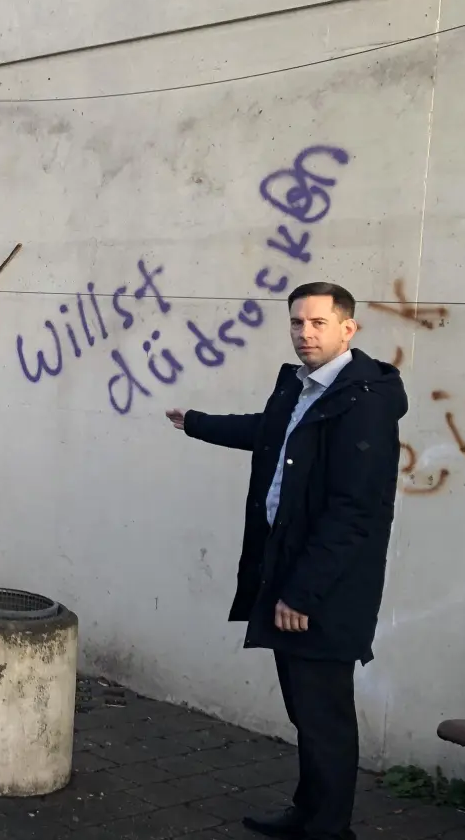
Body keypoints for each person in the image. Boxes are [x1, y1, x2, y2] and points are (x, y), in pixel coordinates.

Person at [165, 281, 406, 840]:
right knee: (305, 709)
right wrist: (196, 422)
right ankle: (309, 812)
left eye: (318, 323)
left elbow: (355, 513)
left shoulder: (363, 403)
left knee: (324, 716)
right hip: (289, 574)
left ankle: (328, 828)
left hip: (323, 590)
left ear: (349, 329)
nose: (305, 333)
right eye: (297, 322)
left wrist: (303, 593)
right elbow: (267, 432)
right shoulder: (301, 389)